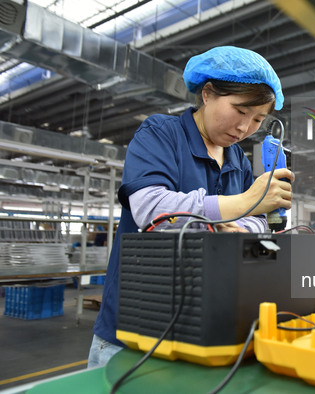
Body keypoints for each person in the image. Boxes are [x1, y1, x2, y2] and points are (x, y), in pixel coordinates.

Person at [88, 46, 293, 368]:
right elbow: (150, 208)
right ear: (208, 94)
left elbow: (257, 223)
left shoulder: (238, 158)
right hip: (135, 330)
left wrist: (240, 223)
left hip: (205, 329)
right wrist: (242, 204)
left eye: (258, 119)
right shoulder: (161, 133)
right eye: (240, 111)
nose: (245, 128)